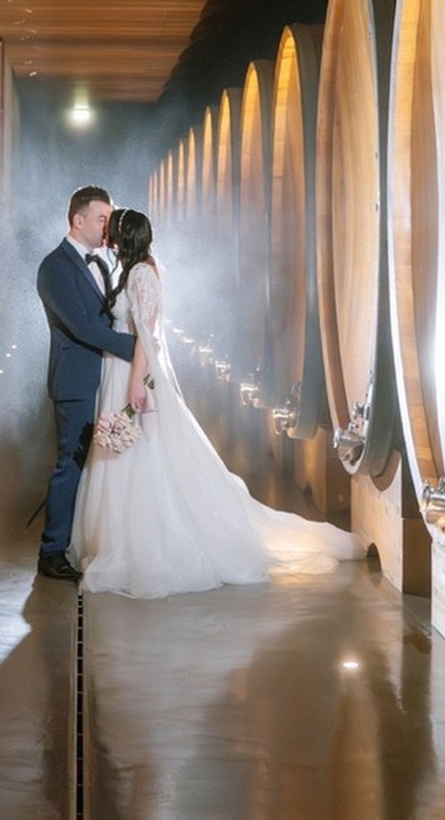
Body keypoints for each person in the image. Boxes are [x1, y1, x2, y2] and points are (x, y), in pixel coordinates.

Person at [70, 209, 356, 598]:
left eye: (111, 225)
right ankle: (119, 538)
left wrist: (137, 383)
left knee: (145, 457)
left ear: (122, 235)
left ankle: (144, 542)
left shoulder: (140, 274)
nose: (106, 230)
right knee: (133, 454)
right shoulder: (136, 269)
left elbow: (147, 336)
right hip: (119, 369)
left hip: (131, 371)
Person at [33, 186, 138, 581]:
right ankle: (52, 551)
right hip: (76, 381)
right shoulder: (55, 267)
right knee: (71, 463)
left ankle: (87, 541)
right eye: (101, 219)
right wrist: (139, 348)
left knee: (104, 464)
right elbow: (84, 327)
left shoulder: (105, 261)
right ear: (78, 220)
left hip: (108, 378)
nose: (108, 227)